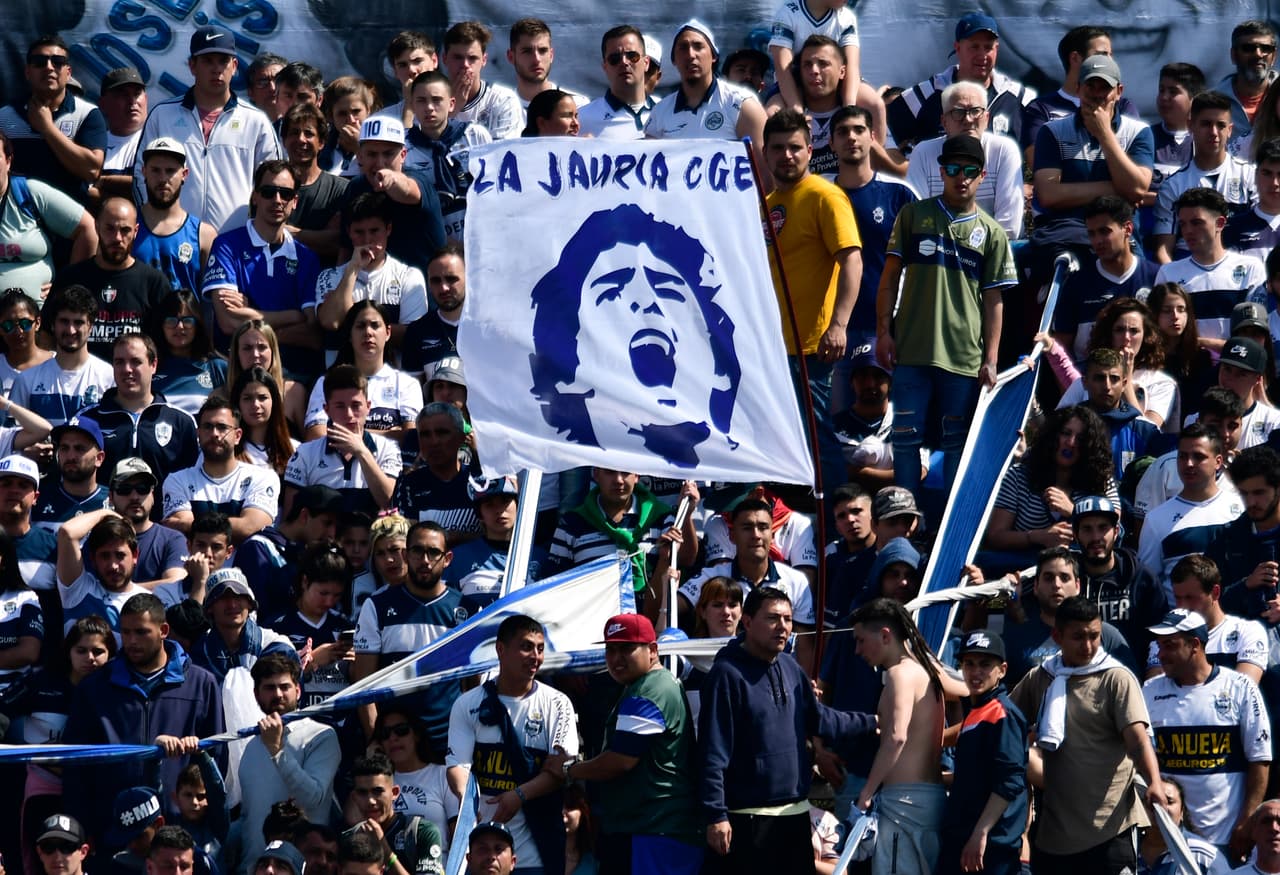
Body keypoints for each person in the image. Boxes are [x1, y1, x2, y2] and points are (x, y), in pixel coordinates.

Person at [700, 586, 875, 874]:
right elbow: (712, 752)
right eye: (772, 618)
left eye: (788, 619)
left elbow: (820, 720)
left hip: (795, 817)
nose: (782, 627)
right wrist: (716, 814)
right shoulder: (725, 675)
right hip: (747, 820)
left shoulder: (791, 667)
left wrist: (871, 723)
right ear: (747, 621)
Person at [877, 133, 1016, 496]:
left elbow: (994, 301)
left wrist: (991, 359)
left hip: (963, 356)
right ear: (941, 171)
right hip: (912, 349)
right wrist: (883, 333)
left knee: (956, 443)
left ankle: (946, 530)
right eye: (953, 169)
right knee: (906, 440)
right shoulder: (913, 215)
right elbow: (889, 278)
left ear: (982, 175)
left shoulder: (992, 233)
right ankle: (906, 521)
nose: (961, 177)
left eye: (969, 170)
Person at [1008, 596, 1167, 874]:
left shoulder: (1117, 678)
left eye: (1095, 636)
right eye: (1078, 637)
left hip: (1111, 830)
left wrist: (1154, 781)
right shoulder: (1041, 678)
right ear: (1057, 636)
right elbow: (1003, 720)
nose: (1088, 645)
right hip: (1053, 838)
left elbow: (1138, 740)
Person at [543, 614, 701, 873]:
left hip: (655, 829)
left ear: (652, 650)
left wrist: (568, 768)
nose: (616, 658)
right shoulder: (645, 685)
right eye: (611, 649)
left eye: (627, 648)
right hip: (652, 828)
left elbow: (620, 761)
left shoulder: (650, 689)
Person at [61, 593, 224, 842]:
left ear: (164, 630)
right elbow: (76, 766)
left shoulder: (202, 684)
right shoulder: (94, 688)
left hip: (180, 835)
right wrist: (85, 829)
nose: (132, 641)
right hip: (113, 833)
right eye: (125, 633)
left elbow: (216, 761)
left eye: (141, 632)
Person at [763, 109, 862, 511]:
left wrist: (838, 325)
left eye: (794, 148)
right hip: (774, 349)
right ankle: (794, 522)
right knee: (783, 446)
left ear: (810, 150)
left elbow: (851, 259)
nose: (787, 156)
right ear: (765, 154)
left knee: (819, 442)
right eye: (777, 149)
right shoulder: (768, 202)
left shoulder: (825, 195)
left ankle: (837, 527)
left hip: (812, 348)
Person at [445, 614, 575, 874]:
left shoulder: (558, 704)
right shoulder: (467, 704)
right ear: (501, 650)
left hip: (536, 849)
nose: (535, 656)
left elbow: (561, 771)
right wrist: (466, 801)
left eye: (540, 649)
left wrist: (520, 795)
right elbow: (457, 766)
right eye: (526, 646)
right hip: (484, 850)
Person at [1143, 607, 1271, 862]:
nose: (1161, 654)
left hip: (1225, 840)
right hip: (1169, 840)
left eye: (1169, 645)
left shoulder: (1240, 687)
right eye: (1159, 646)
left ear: (1194, 645)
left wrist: (1246, 823)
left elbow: (1260, 759)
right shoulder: (1149, 691)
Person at [134, 26, 281, 233]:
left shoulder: (256, 121)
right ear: (192, 65)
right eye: (208, 60)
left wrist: (253, 235)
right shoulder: (162, 115)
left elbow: (274, 184)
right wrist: (154, 221)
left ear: (235, 66)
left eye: (223, 61)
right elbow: (140, 174)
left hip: (235, 245)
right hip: (171, 240)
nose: (216, 69)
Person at [846, 598, 947, 873]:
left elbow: (896, 737)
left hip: (904, 803)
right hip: (930, 799)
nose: (858, 650)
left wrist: (865, 795)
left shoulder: (899, 674)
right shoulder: (927, 670)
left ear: (885, 635)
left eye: (861, 640)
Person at [1030, 54, 1154, 266]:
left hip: (1121, 240)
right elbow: (1048, 195)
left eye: (1104, 88)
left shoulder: (1138, 132)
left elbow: (1136, 190)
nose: (1097, 95)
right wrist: (1117, 189)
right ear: (1078, 89)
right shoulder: (1052, 132)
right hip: (1066, 237)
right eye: (1091, 86)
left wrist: (1105, 134)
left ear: (1119, 92)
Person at [204, 159, 323, 380]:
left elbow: (312, 331)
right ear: (255, 196)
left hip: (292, 373)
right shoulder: (227, 245)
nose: (277, 200)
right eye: (268, 192)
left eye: (285, 194)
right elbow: (229, 322)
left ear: (295, 200)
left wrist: (252, 322)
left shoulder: (307, 257)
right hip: (237, 372)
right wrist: (292, 315)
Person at [355, 521, 467, 747]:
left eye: (434, 552)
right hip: (395, 745)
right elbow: (364, 684)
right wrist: (377, 742)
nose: (425, 560)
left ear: (447, 559)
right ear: (406, 555)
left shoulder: (466, 609)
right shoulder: (376, 606)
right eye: (417, 551)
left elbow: (471, 685)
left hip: (449, 744)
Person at [830, 105, 916, 392]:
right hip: (830, 329)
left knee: (886, 416)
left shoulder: (900, 194)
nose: (851, 138)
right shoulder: (817, 194)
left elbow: (918, 265)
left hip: (888, 328)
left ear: (873, 137)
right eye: (842, 132)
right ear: (831, 142)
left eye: (859, 130)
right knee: (835, 419)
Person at [936, 629, 1028, 875]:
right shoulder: (977, 711)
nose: (976, 672)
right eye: (969, 664)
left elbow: (1010, 781)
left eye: (985, 664)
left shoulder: (1002, 713)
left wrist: (981, 833)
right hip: (964, 838)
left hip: (989, 847)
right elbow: (976, 776)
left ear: (1003, 670)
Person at [238, 653, 340, 873]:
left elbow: (312, 798)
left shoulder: (321, 736)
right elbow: (249, 816)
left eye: (285, 687)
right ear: (256, 694)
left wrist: (277, 751)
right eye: (269, 688)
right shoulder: (251, 745)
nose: (278, 694)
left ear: (298, 690)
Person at [549, 467, 696, 616]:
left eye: (625, 472)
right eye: (610, 472)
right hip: (592, 625)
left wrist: (687, 514)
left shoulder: (662, 518)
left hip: (647, 627)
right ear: (596, 474)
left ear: (637, 475)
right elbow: (557, 586)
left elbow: (686, 560)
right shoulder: (571, 524)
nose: (618, 480)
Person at [983, 406, 1117, 563]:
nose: (1071, 443)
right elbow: (995, 536)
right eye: (1066, 433)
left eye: (1080, 439)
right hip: (1024, 571)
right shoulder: (1019, 475)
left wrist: (1075, 511)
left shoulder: (1102, 479)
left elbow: (1116, 530)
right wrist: (1037, 536)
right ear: (1052, 436)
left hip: (1079, 573)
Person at [888, 12, 1035, 154]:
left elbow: (1038, 159)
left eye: (988, 47)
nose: (982, 55)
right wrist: (910, 170)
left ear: (996, 49)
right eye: (974, 46)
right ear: (957, 48)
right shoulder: (926, 94)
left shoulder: (1020, 99)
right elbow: (886, 137)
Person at [314, 193, 428, 364]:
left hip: (393, 382)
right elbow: (330, 321)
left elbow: (412, 336)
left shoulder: (409, 277)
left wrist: (350, 320)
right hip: (342, 382)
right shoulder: (329, 276)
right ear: (349, 232)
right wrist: (352, 268)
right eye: (359, 232)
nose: (367, 240)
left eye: (374, 231)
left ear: (388, 229)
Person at [904, 79, 1025, 239]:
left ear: (987, 118)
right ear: (944, 122)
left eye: (975, 111)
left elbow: (1009, 227)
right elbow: (917, 217)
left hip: (995, 249)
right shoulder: (923, 152)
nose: (968, 119)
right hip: (939, 251)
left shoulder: (1004, 150)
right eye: (958, 112)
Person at [53, 197, 170, 361]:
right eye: (109, 228)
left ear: (136, 231)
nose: (117, 238)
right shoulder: (70, 278)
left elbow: (165, 344)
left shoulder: (154, 283)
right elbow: (46, 336)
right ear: (96, 226)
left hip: (132, 381)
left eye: (125, 230)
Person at [75, 333, 200, 482]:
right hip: (104, 505)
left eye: (135, 361)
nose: (127, 369)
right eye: (119, 362)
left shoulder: (181, 422)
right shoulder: (87, 419)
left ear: (153, 365)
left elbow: (194, 480)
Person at [1049, 196, 1161, 362]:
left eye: (1104, 231)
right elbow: (1061, 349)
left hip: (1147, 378)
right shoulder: (1077, 283)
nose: (1097, 241)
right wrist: (1075, 386)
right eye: (1091, 234)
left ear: (1128, 229)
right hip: (1089, 381)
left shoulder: (1157, 277)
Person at [644, 19, 767, 169]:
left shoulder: (743, 105)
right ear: (674, 60)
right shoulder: (659, 112)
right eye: (683, 48)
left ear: (713, 56)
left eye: (698, 46)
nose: (690, 55)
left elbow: (765, 175)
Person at [1154, 91, 1257, 264]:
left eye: (1221, 125)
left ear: (1230, 130)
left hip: (1240, 272)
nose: (1214, 132)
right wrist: (1178, 285)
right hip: (1188, 275)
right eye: (1206, 124)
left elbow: (1262, 237)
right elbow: (1163, 251)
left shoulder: (1250, 176)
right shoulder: (1173, 186)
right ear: (1190, 126)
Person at [1048, 297, 1180, 431]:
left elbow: (1147, 433)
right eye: (1119, 330)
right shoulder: (1085, 381)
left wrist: (1126, 380)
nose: (1126, 337)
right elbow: (1057, 427)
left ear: (1145, 336)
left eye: (1134, 331)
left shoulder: (1161, 383)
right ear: (1109, 334)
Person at [284, 365, 400, 517]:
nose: (349, 414)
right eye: (340, 406)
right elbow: (290, 521)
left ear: (368, 407)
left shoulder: (388, 448)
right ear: (326, 410)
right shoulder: (305, 454)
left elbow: (388, 502)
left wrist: (361, 452)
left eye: (356, 405)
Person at [162, 398, 280, 543]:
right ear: (198, 434)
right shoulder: (177, 480)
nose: (214, 434)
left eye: (222, 427)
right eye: (207, 427)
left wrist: (191, 524)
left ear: (237, 436)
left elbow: (249, 527)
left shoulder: (263, 478)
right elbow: (180, 530)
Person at [1139, 424, 1246, 584]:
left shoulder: (1242, 509)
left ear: (1218, 462)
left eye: (1198, 456)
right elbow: (1147, 584)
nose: (1189, 463)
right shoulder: (1156, 519)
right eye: (1182, 456)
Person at [0, 35, 105, 198]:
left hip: (70, 220)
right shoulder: (4, 117)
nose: (49, 67)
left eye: (57, 61)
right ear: (28, 72)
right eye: (39, 62)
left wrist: (47, 128)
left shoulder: (87, 113)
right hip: (18, 219)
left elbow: (91, 171)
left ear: (68, 72)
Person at [305, 303, 421, 443]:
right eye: (360, 326)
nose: (368, 332)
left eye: (375, 325)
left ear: (388, 332)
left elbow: (411, 438)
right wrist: (389, 433)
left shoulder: (407, 385)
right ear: (350, 335)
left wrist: (342, 433)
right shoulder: (326, 383)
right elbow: (315, 437)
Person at [1072, 495, 1171, 658]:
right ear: (1075, 535)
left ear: (1116, 531)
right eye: (1087, 529)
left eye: (1103, 528)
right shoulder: (1066, 578)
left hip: (1134, 674)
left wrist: (1154, 666)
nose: (1096, 537)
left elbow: (1160, 631)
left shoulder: (1141, 577)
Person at [0, 128, 95, 291]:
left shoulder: (30, 193)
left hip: (36, 313)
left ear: (8, 161)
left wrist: (68, 288)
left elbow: (88, 229)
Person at [1152, 555, 1268, 684]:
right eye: (1178, 598)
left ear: (1215, 592)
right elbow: (1156, 692)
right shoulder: (1165, 637)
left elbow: (1242, 690)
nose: (1183, 606)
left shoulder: (1248, 632)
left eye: (1190, 597)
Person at [402, 71, 491, 241]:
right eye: (421, 101)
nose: (429, 108)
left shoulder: (474, 135)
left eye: (436, 100)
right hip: (433, 242)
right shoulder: (404, 147)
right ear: (412, 106)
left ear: (451, 104)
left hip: (479, 235)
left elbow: (492, 188)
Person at [237, 484, 344, 623]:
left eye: (336, 526)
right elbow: (253, 614)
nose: (332, 533)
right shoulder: (258, 548)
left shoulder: (316, 551)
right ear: (304, 515)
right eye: (327, 523)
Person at [11, 284, 114, 427]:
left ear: (90, 326)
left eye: (78, 323)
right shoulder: (26, 381)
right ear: (53, 324)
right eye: (64, 321)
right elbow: (11, 438)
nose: (71, 330)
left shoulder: (109, 378)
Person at [443, 474, 548, 613]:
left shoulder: (540, 557)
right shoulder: (458, 558)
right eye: (489, 504)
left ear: (518, 505)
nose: (499, 510)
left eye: (505, 501)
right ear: (479, 514)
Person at [132, 137, 214, 295]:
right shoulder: (125, 228)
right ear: (144, 172)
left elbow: (213, 301)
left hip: (184, 319)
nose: (163, 179)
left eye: (170, 171)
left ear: (184, 174)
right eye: (155, 170)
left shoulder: (204, 235)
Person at [370, 707, 456, 852]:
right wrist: (371, 763)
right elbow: (353, 817)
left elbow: (458, 834)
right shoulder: (378, 781)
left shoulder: (443, 775)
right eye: (385, 734)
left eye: (401, 730)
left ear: (416, 735)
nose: (393, 738)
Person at [190, 567, 296, 685]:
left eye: (239, 596)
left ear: (250, 604)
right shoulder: (199, 654)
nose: (232, 604)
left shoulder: (277, 648)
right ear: (210, 608)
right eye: (223, 597)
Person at [56, 512, 148, 635]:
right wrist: (106, 513)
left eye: (120, 555)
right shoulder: (78, 590)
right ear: (93, 559)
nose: (113, 566)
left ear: (135, 555)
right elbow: (67, 533)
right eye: (105, 556)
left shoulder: (149, 602)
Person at [282, 103, 348, 261]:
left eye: (308, 133)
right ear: (283, 140)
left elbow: (336, 243)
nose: (301, 139)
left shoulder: (342, 189)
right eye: (294, 132)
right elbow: (264, 235)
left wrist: (285, 232)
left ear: (322, 142)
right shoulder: (270, 185)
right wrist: (318, 237)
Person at [147, 290, 227, 418]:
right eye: (171, 320)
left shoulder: (218, 368)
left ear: (198, 325)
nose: (179, 326)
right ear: (161, 325)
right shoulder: (150, 369)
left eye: (187, 320)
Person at [441, 22, 523, 141]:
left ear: (484, 60)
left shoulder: (503, 99)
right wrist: (452, 110)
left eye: (472, 58)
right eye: (458, 57)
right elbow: (423, 151)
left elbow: (502, 153)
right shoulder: (429, 99)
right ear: (444, 59)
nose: (465, 65)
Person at [226, 321, 308, 434]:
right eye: (247, 348)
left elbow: (309, 445)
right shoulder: (222, 395)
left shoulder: (293, 392)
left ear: (273, 351)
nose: (255, 354)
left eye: (262, 347)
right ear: (236, 354)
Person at [577, 26, 657, 140]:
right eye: (614, 59)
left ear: (646, 63)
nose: (624, 62)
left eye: (632, 56)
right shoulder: (582, 120)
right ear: (605, 67)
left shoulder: (667, 114)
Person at [33, 416, 108, 532]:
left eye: (79, 449)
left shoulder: (114, 501)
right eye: (64, 448)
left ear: (99, 458)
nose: (71, 456)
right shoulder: (37, 500)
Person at [402, 244, 464, 378]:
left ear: (468, 278)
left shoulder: (487, 328)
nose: (444, 288)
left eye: (451, 279)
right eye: (436, 281)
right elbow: (413, 391)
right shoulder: (417, 332)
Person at [1218, 20, 1279, 154]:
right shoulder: (1212, 101)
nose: (1258, 54)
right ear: (1234, 55)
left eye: (1265, 48)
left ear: (1273, 56)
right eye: (1248, 48)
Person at [91, 67, 146, 203]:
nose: (132, 101)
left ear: (146, 99)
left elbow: (153, 187)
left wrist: (102, 181)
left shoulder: (160, 140)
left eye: (137, 94)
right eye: (123, 94)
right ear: (102, 104)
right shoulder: (89, 145)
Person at [230, 368, 297, 477]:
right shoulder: (227, 451)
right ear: (237, 404)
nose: (255, 404)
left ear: (274, 402)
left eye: (262, 398)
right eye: (247, 398)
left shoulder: (296, 450)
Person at [373, 31, 438, 129]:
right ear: (395, 71)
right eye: (402, 65)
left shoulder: (458, 107)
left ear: (434, 61)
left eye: (417, 61)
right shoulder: (383, 120)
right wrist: (409, 105)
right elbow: (404, 145)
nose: (411, 70)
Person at [0, 289, 51, 395]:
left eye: (25, 323)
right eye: (8, 325)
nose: (18, 331)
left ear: (37, 323)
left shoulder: (56, 363)